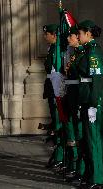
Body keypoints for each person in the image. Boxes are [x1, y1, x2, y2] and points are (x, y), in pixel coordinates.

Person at [77, 20, 103, 189]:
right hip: (87, 100)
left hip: (93, 102)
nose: (78, 36)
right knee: (89, 141)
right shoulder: (88, 50)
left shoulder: (93, 52)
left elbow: (96, 80)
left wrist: (94, 105)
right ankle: (92, 176)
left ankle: (97, 180)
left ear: (88, 34)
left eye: (80, 33)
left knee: (94, 141)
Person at [41, 24, 64, 169]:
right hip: (51, 86)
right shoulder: (52, 49)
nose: (44, 36)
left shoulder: (56, 49)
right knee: (55, 122)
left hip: (56, 88)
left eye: (46, 34)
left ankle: (60, 155)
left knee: (58, 123)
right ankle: (58, 154)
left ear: (54, 35)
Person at [64, 25, 85, 182]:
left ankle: (81, 169)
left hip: (78, 96)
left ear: (78, 38)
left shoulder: (83, 54)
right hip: (71, 95)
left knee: (80, 133)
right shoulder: (74, 53)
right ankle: (75, 166)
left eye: (71, 36)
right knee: (72, 131)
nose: (68, 39)